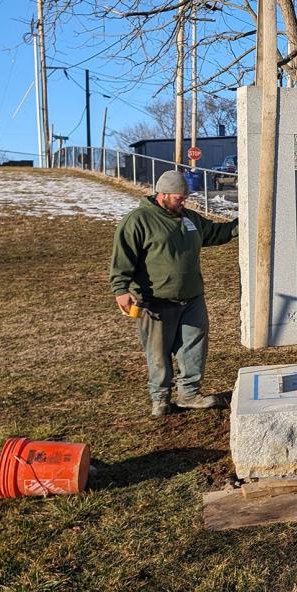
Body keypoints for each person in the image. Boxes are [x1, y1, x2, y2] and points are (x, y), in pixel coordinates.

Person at [110, 170, 239, 417]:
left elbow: (213, 233)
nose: (184, 201)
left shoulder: (189, 218)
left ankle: (189, 394)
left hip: (192, 297)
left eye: (185, 197)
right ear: (163, 194)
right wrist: (121, 290)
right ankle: (160, 399)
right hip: (155, 301)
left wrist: (238, 226)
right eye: (180, 197)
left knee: (193, 346)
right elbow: (122, 258)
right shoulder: (138, 221)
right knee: (158, 352)